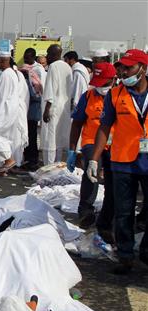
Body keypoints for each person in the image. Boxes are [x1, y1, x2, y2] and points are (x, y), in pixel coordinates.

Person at [88, 49, 148, 274]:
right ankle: (125, 255)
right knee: (123, 211)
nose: (123, 71)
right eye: (121, 67)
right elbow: (104, 127)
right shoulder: (115, 94)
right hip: (122, 161)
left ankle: (145, 250)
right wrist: (94, 159)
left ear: (142, 69)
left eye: (129, 68)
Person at [68, 62, 116, 234]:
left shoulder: (120, 97)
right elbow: (77, 124)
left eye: (104, 83)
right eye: (97, 83)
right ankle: (85, 211)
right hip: (91, 142)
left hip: (116, 144)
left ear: (113, 79)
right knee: (91, 171)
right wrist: (72, 150)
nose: (99, 87)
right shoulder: (88, 96)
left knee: (114, 179)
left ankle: (109, 214)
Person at [41, 44, 73, 165]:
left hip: (53, 107)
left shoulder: (53, 66)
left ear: (54, 54)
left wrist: (47, 110)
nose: (47, 57)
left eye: (48, 54)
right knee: (58, 139)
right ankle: (57, 166)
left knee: (50, 139)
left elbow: (51, 89)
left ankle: (48, 167)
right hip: (64, 108)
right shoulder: (67, 67)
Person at [20, 48, 46, 169]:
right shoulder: (25, 68)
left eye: (28, 58)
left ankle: (33, 159)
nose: (26, 60)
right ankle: (27, 156)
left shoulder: (38, 70)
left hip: (34, 106)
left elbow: (39, 89)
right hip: (26, 105)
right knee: (26, 133)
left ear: (33, 57)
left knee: (32, 133)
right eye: (25, 58)